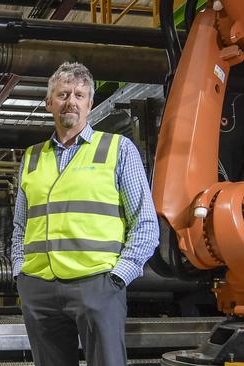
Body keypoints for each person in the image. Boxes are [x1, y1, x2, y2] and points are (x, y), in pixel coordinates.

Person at [11, 62, 160, 366]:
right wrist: (20, 271)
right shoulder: (32, 157)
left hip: (97, 285)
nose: (71, 101)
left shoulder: (118, 149)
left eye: (80, 95)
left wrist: (118, 277)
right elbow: (20, 225)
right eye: (63, 94)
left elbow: (145, 223)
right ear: (49, 102)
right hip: (39, 287)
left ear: (90, 103)